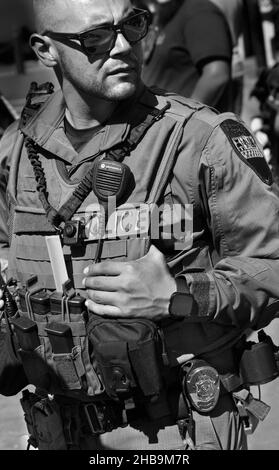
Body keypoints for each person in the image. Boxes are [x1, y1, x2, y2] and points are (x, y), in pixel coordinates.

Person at [0, 0, 279, 451]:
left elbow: (272, 264)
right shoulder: (16, 152)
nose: (125, 45)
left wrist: (179, 297)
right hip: (61, 430)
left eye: (132, 24)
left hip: (176, 431)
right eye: (96, 37)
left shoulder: (202, 140)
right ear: (45, 50)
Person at [140, 0, 233, 112]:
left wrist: (188, 117)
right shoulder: (163, 14)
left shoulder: (199, 10)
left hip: (181, 123)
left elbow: (216, 75)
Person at [209, 0, 245, 115]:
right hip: (236, 60)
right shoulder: (236, 1)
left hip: (215, 63)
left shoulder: (207, 4)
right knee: (233, 118)